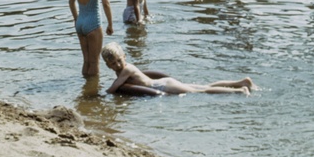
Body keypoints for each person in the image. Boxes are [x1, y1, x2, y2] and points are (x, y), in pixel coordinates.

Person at [102, 43, 254, 96]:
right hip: (162, 82)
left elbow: (113, 88)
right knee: (205, 87)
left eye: (119, 61)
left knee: (201, 91)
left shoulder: (126, 70)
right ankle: (241, 82)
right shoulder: (123, 70)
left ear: (125, 57)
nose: (118, 65)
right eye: (113, 64)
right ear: (108, 65)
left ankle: (239, 91)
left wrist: (100, 95)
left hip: (162, 85)